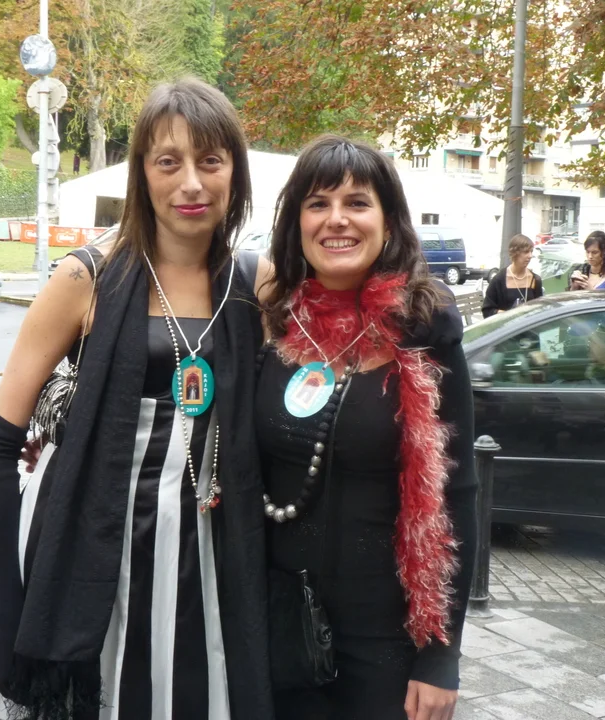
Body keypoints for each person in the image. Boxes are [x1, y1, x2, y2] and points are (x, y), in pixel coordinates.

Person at [0, 78, 273, 720]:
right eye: (169, 162)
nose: (191, 183)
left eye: (211, 161)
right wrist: (13, 609)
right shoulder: (85, 277)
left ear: (235, 172)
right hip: (83, 556)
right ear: (141, 173)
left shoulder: (256, 284)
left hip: (209, 564)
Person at [257, 136, 477, 720]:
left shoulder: (425, 332)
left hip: (386, 642)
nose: (337, 219)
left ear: (387, 221)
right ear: (296, 222)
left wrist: (440, 655)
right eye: (318, 203)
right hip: (275, 629)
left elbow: (458, 494)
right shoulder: (270, 324)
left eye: (357, 202)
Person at [481, 233, 543, 317]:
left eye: (531, 251)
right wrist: (508, 315)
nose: (530, 256)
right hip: (507, 324)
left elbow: (540, 309)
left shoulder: (535, 280)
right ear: (514, 253)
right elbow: (487, 311)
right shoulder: (499, 280)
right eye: (526, 252)